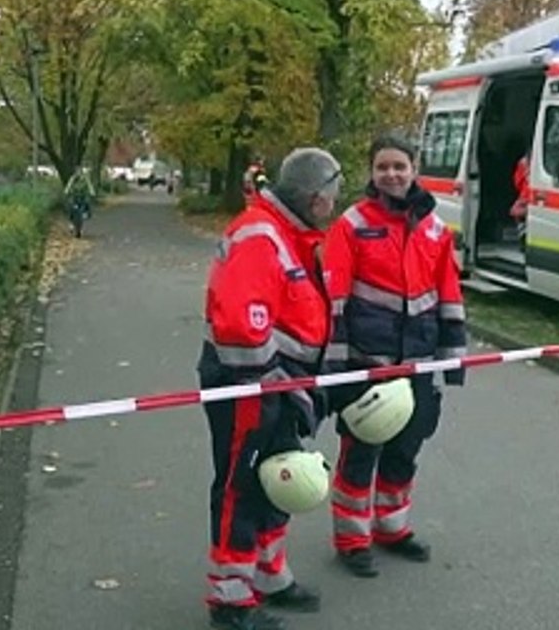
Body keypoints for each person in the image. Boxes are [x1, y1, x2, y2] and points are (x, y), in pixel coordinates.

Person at [198, 147, 343, 630]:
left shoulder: (288, 232)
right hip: (251, 387)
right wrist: (272, 390)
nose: (334, 204)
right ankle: (231, 598)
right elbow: (241, 329)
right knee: (243, 487)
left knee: (277, 481)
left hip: (279, 385)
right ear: (313, 196)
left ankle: (268, 573)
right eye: (331, 195)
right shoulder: (261, 235)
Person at [322, 133, 467, 579]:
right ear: (371, 172)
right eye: (382, 166)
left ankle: (392, 528)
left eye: (399, 166)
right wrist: (337, 369)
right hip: (368, 363)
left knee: (405, 450)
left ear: (414, 167)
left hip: (419, 362)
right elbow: (335, 297)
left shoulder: (435, 227)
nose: (391, 174)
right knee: (361, 452)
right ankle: (351, 539)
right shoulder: (351, 224)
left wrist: (452, 357)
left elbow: (449, 293)